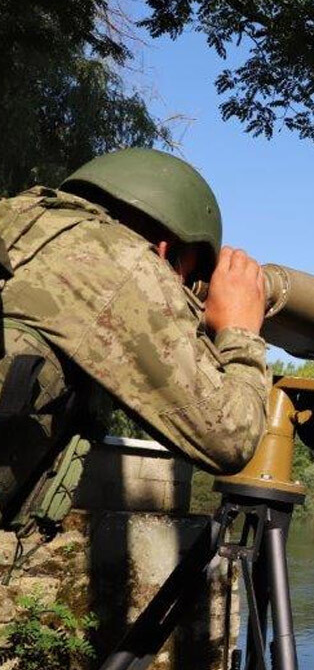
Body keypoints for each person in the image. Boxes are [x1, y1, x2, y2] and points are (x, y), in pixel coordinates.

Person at [0, 148, 270, 537]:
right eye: (184, 276)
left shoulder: (17, 215)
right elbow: (229, 438)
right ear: (165, 249)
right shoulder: (127, 262)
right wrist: (241, 331)